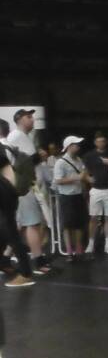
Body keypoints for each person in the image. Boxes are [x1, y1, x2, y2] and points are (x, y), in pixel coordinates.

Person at [6, 109, 51, 275]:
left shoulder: (22, 137)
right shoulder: (17, 136)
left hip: (24, 186)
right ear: (19, 119)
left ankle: (4, 258)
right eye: (28, 117)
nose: (32, 119)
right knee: (32, 223)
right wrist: (40, 156)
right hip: (25, 187)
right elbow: (23, 163)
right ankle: (38, 261)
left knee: (20, 225)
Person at [0, 132, 36, 288]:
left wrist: (10, 190)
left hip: (4, 192)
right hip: (8, 192)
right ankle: (3, 263)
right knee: (4, 230)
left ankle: (26, 273)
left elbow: (6, 169)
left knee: (10, 232)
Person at [53, 136, 90, 259]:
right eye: (76, 144)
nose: (78, 146)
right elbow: (58, 180)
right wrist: (77, 178)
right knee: (67, 224)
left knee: (79, 223)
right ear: (69, 146)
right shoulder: (60, 162)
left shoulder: (79, 160)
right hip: (66, 196)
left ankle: (78, 248)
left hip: (78, 194)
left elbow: (83, 174)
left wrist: (85, 180)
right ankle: (69, 250)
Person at [83, 133, 108, 254]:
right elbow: (84, 171)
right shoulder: (89, 156)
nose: (101, 143)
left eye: (103, 141)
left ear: (105, 142)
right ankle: (90, 243)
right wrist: (88, 178)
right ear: (95, 142)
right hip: (96, 189)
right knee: (93, 217)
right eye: (99, 141)